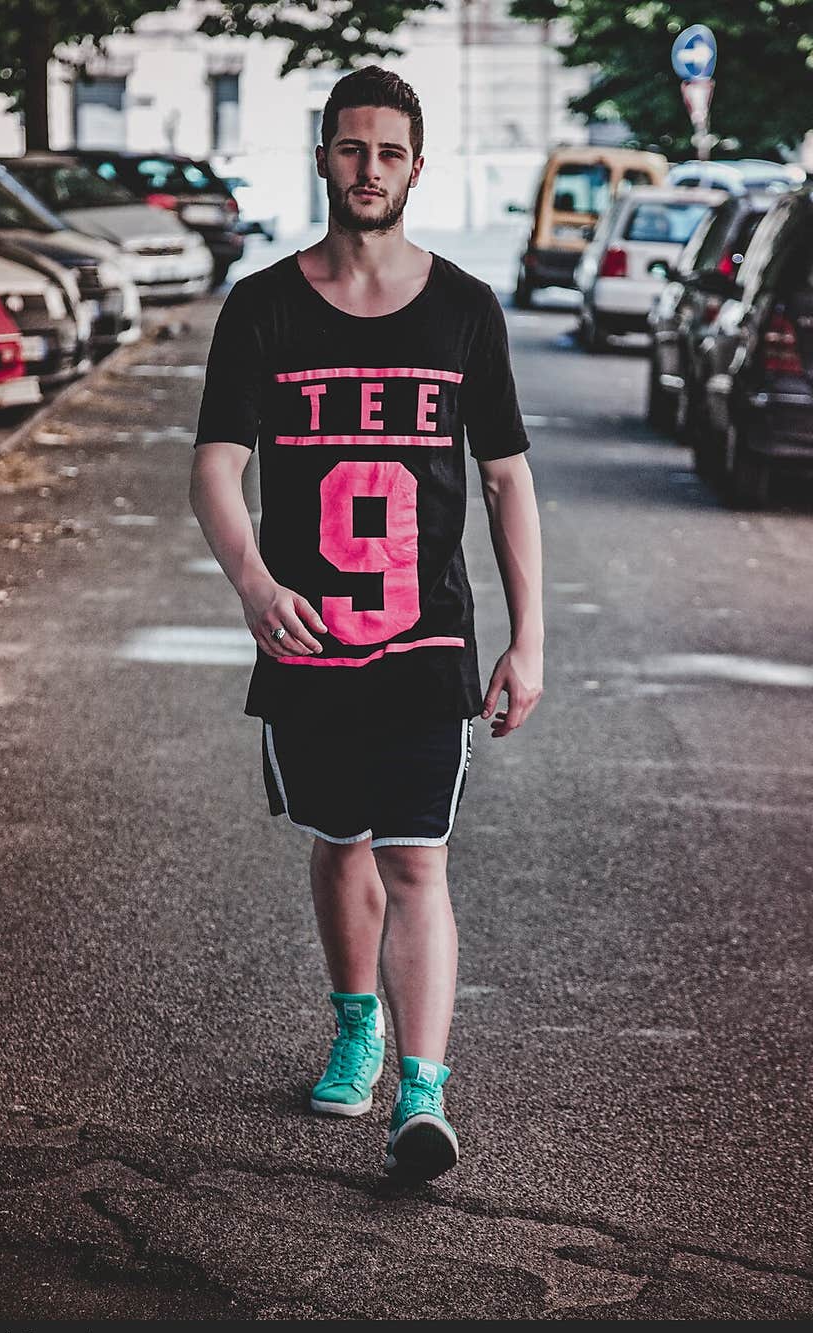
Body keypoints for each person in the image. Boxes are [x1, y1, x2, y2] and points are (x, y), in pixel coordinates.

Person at [190, 67, 543, 1183]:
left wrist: (529, 636)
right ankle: (356, 1022)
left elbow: (504, 481)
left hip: (425, 638)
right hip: (305, 639)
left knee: (417, 858)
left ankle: (422, 1096)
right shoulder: (263, 305)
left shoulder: (464, 309)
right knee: (337, 841)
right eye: (351, 149)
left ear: (415, 167)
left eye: (389, 152)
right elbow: (214, 466)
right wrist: (251, 581)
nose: (369, 169)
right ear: (324, 157)